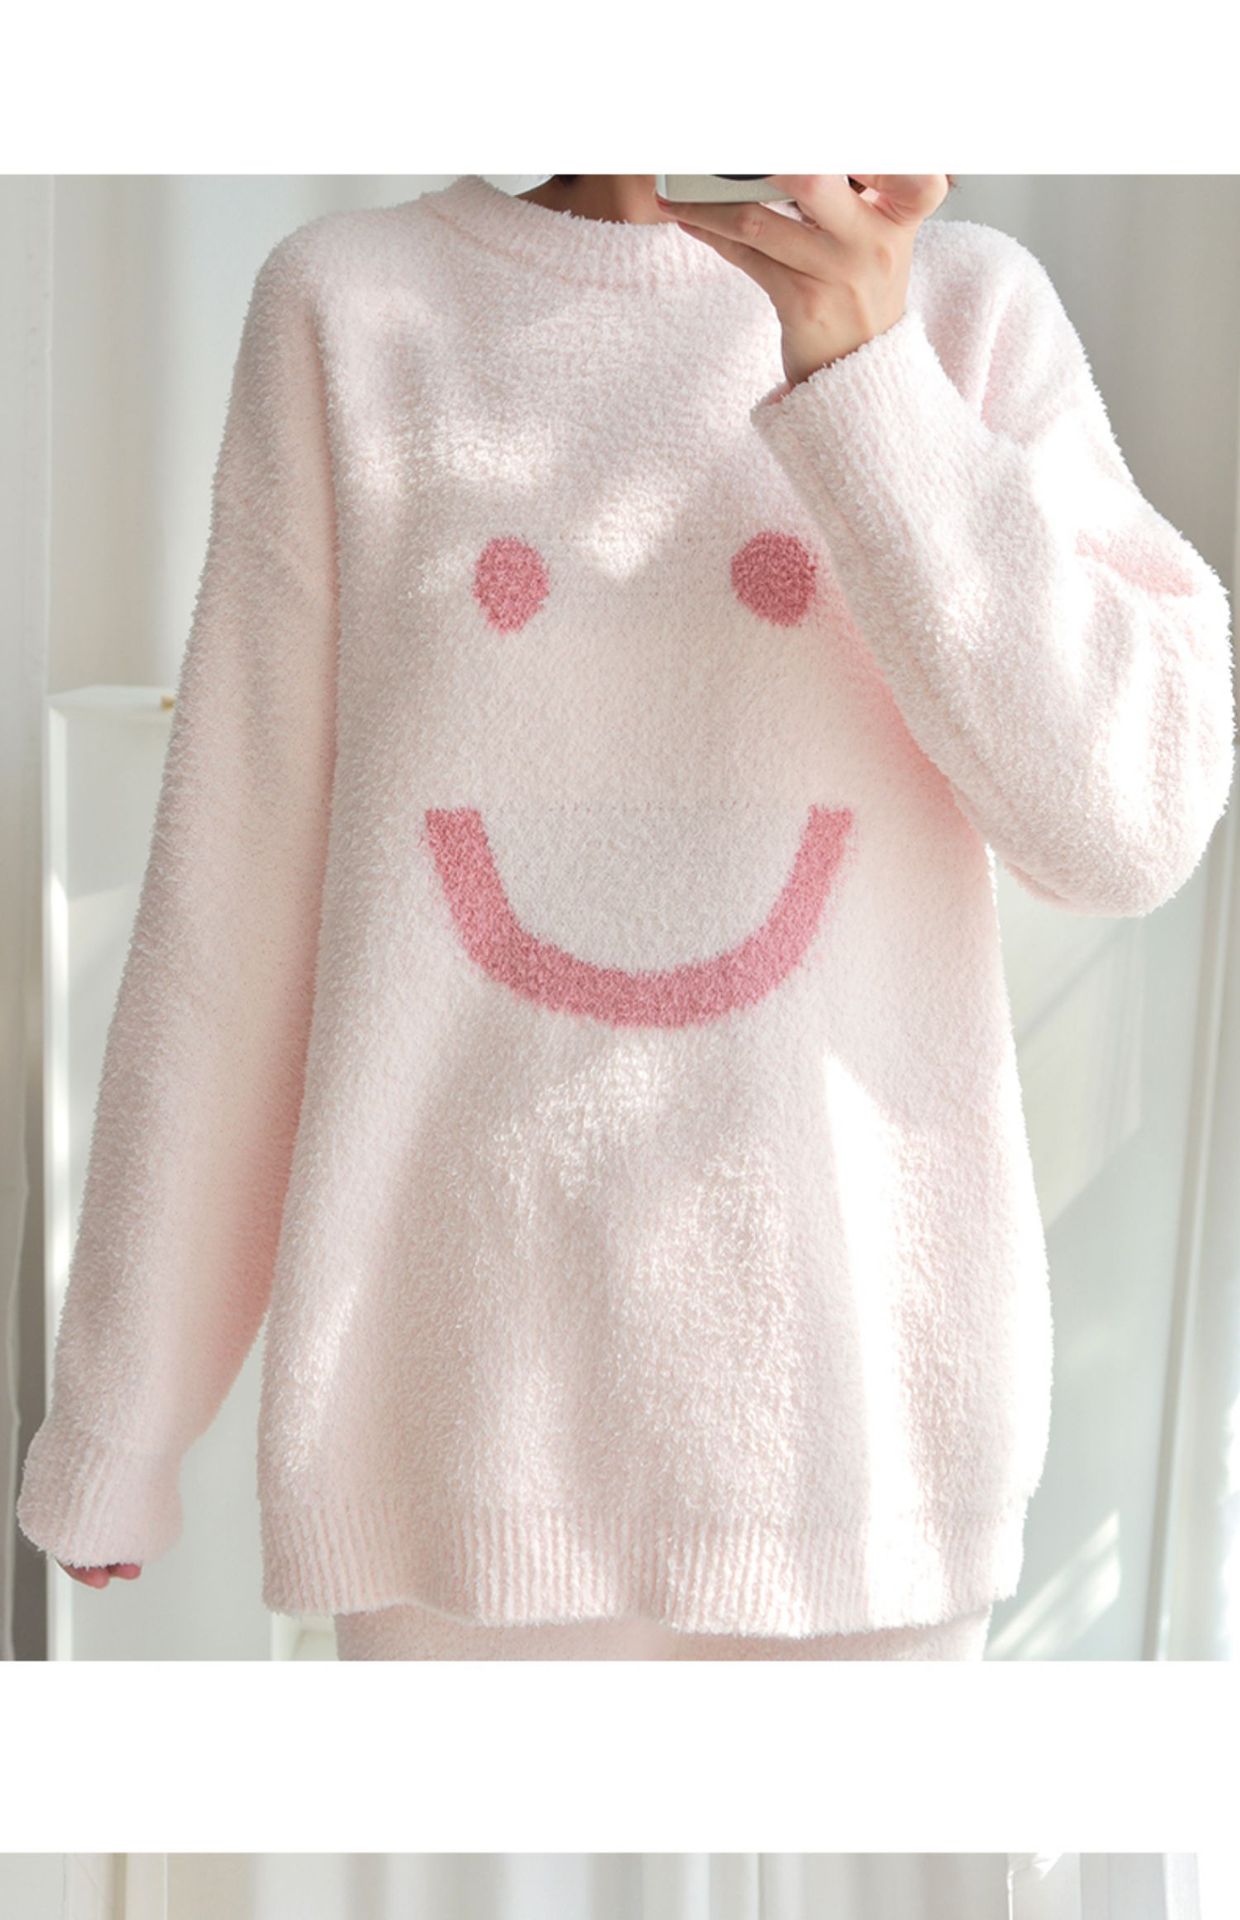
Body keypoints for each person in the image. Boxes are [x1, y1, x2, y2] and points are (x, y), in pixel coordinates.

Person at [18, 175, 1235, 1660]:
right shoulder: (352, 310)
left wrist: (869, 376)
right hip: (456, 1447)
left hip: (858, 1466)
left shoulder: (965, 315)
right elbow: (233, 892)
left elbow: (1131, 821)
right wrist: (122, 1418)